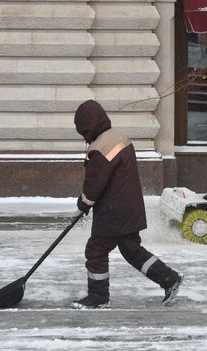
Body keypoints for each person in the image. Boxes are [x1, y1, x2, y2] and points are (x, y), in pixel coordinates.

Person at [73, 99, 183, 308]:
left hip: (113, 211)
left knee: (96, 250)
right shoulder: (119, 138)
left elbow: (95, 183)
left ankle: (98, 297)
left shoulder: (100, 147)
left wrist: (84, 203)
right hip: (129, 208)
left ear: (86, 125)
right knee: (131, 249)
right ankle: (169, 278)